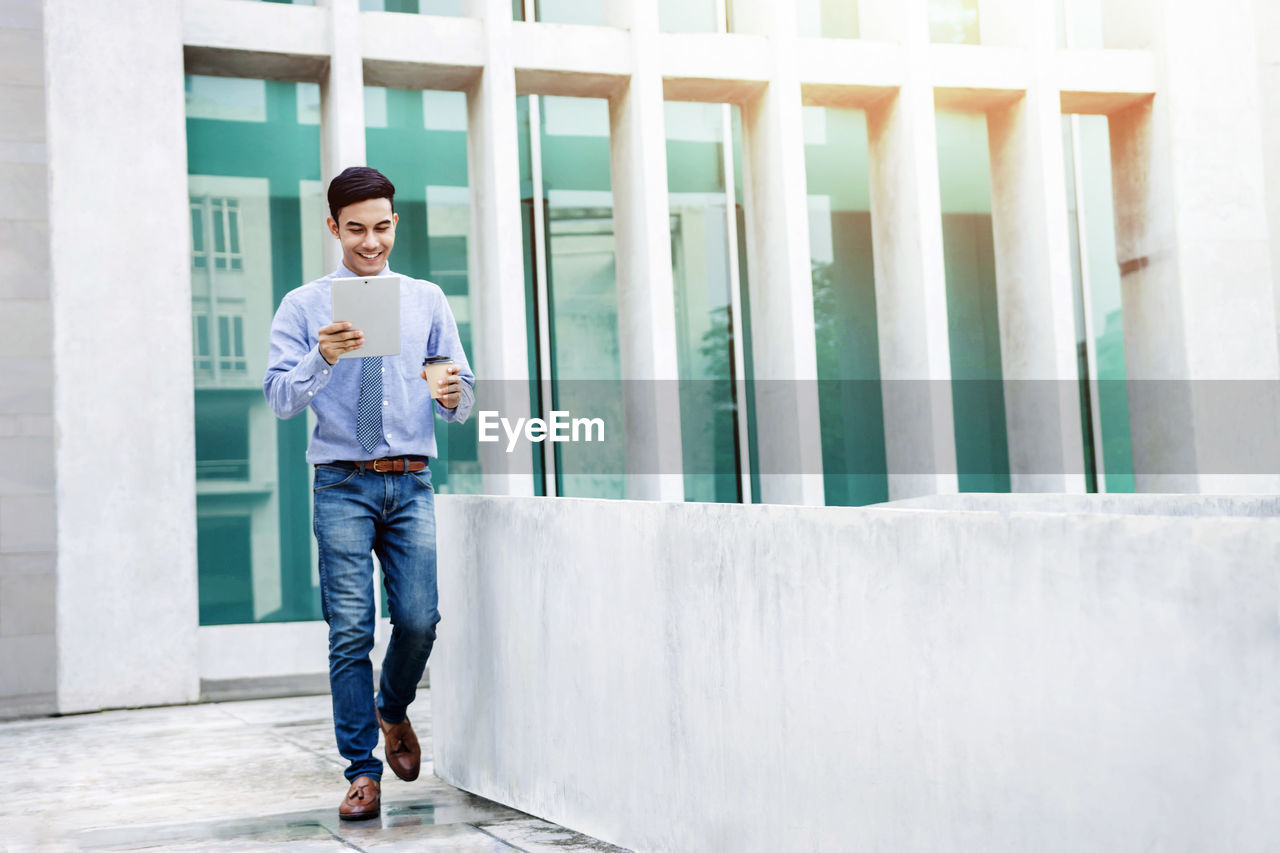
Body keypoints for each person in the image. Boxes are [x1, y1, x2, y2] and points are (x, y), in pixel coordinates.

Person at [263, 166, 474, 820]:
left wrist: (451, 393)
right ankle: (362, 771)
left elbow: (461, 402)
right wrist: (321, 357)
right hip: (342, 484)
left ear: (394, 223)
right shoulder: (303, 306)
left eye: (381, 227)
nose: (371, 241)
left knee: (418, 619)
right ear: (333, 228)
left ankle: (393, 707)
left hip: (410, 480)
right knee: (349, 629)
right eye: (355, 229)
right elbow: (279, 399)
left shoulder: (425, 299)